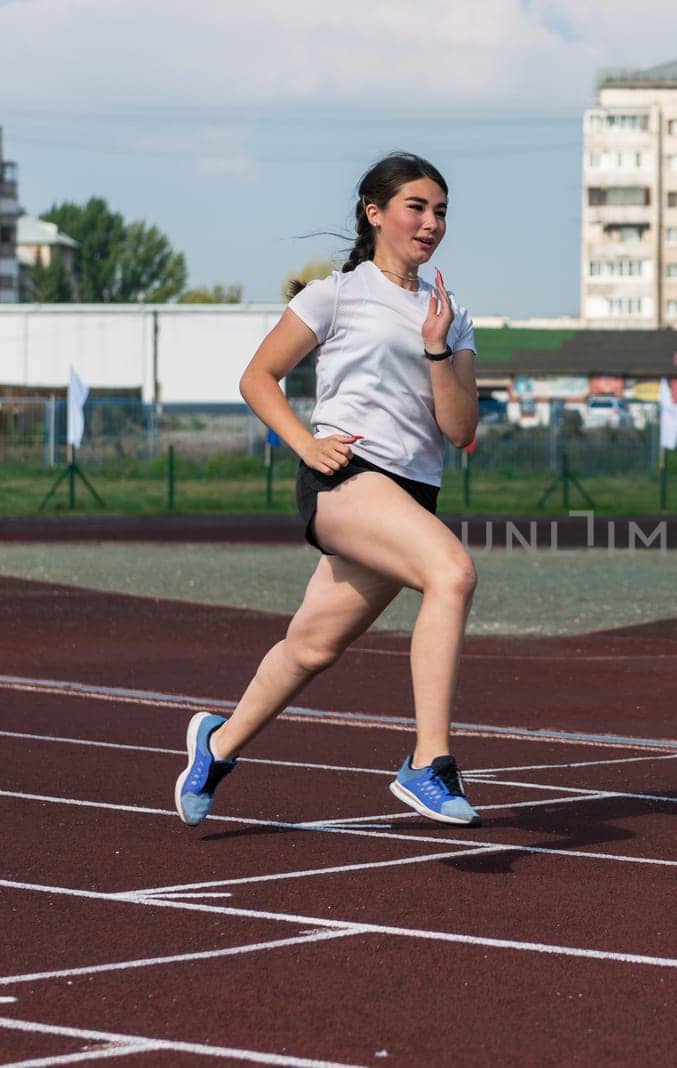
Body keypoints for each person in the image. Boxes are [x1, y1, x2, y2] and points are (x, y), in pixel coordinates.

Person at [174, 153, 481, 828]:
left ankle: (216, 745)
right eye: (417, 207)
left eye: (441, 212)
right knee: (452, 573)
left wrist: (436, 348)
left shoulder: (450, 317)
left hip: (408, 496)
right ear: (375, 214)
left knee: (311, 647)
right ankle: (429, 763)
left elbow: (459, 430)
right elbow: (258, 377)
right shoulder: (336, 294)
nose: (431, 223)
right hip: (345, 480)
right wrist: (306, 443)